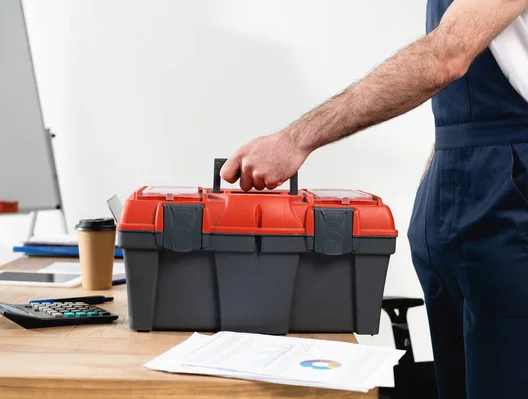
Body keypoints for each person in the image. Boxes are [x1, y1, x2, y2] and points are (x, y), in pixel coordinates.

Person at [220, 1, 528, 398]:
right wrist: (438, 172)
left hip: (509, 197)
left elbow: (445, 56)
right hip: (454, 187)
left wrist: (295, 139)